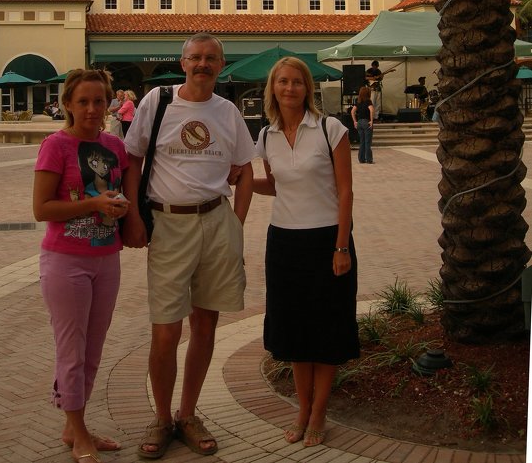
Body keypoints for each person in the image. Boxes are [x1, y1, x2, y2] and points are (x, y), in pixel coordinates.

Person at [123, 32, 255, 459]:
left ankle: (188, 413)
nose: (202, 64)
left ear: (221, 64)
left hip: (216, 221)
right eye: (195, 57)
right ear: (183, 63)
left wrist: (235, 226)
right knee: (166, 329)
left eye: (210, 58)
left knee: (205, 325)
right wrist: (133, 216)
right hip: (168, 223)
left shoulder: (228, 111)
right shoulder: (157, 101)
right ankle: (162, 417)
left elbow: (245, 168)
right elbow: (133, 159)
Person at [33, 68, 140, 463]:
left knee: (93, 350)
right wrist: (94, 204)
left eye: (99, 101)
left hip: (105, 258)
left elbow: (133, 178)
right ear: (67, 105)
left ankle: (72, 426)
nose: (93, 109)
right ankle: (79, 434)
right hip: (66, 261)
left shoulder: (114, 145)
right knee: (71, 350)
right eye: (83, 102)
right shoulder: (55, 145)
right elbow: (42, 208)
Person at [253, 57, 359, 448]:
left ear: (307, 88)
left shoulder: (331, 129)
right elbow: (277, 185)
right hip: (283, 242)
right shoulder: (266, 136)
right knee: (295, 330)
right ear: (273, 87)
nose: (289, 88)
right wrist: (240, 181)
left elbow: (345, 191)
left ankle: (319, 413)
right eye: (282, 81)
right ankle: (301, 410)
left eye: (297, 82)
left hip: (328, 240)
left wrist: (341, 244)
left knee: (327, 328)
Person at [351, 86, 374, 164]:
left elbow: (352, 112)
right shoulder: (368, 101)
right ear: (368, 93)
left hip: (359, 123)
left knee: (362, 142)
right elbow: (371, 110)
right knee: (368, 142)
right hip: (366, 122)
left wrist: (355, 121)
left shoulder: (358, 102)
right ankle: (369, 159)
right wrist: (371, 121)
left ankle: (361, 159)